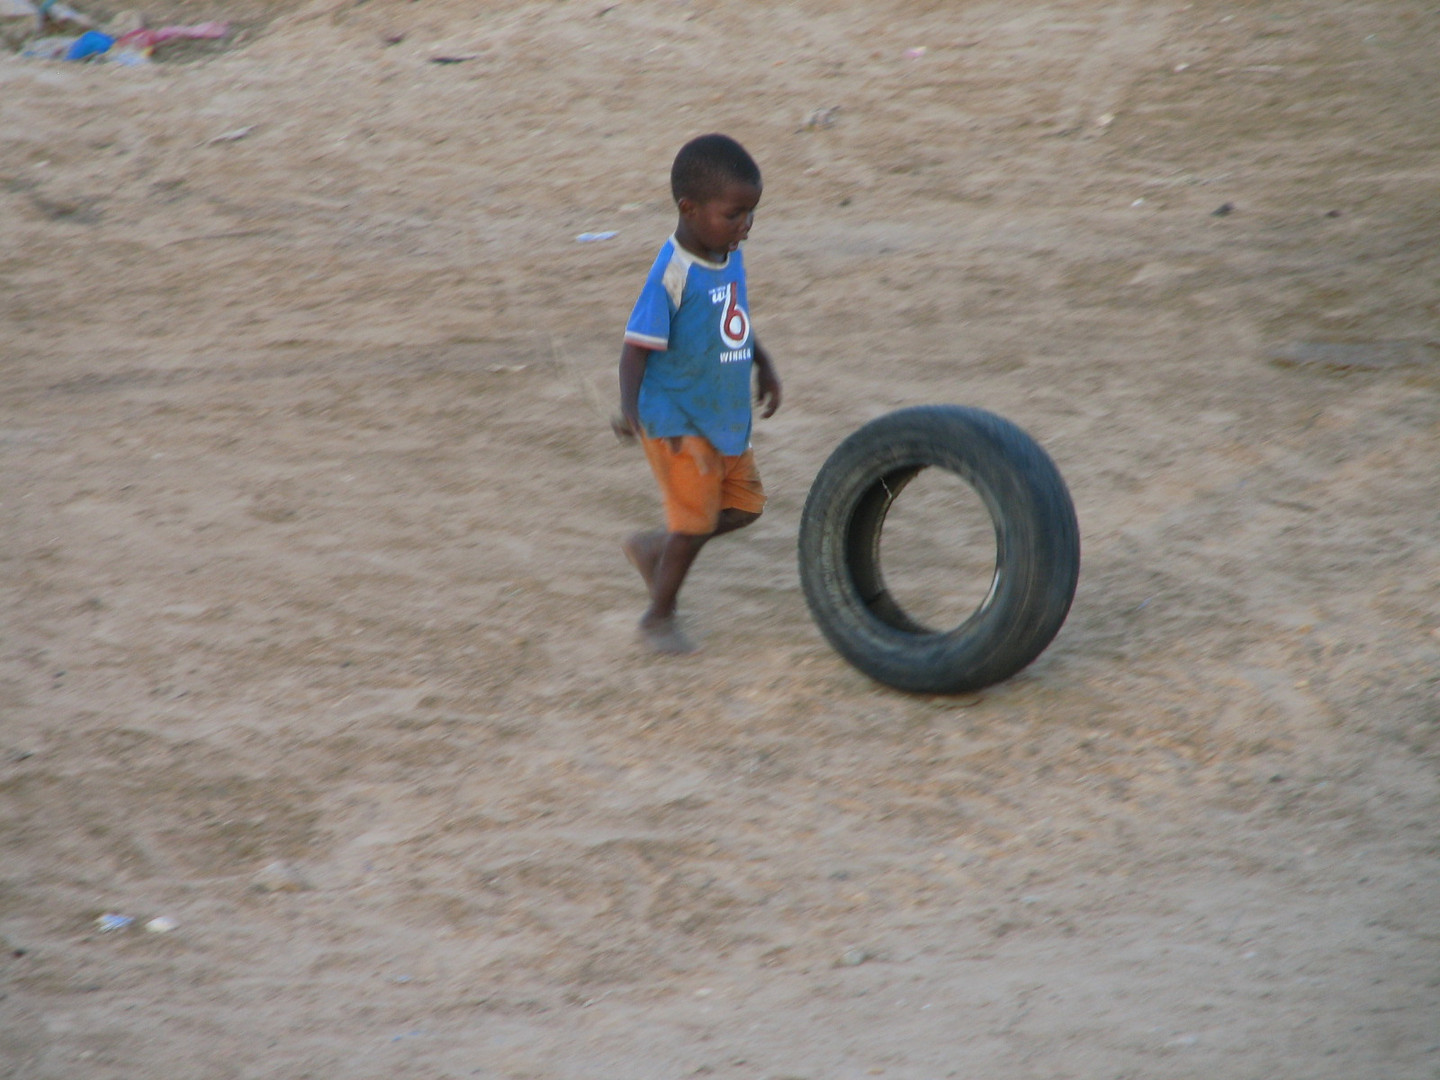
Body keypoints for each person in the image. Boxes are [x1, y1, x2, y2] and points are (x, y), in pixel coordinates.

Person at [613, 133, 783, 655]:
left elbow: (731, 322)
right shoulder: (672, 273)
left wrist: (763, 363)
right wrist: (629, 407)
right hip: (677, 419)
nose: (745, 226)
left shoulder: (727, 255)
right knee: (694, 523)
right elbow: (635, 348)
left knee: (745, 507)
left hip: (721, 415)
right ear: (689, 209)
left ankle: (654, 547)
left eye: (751, 214)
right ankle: (657, 618)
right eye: (734, 214)